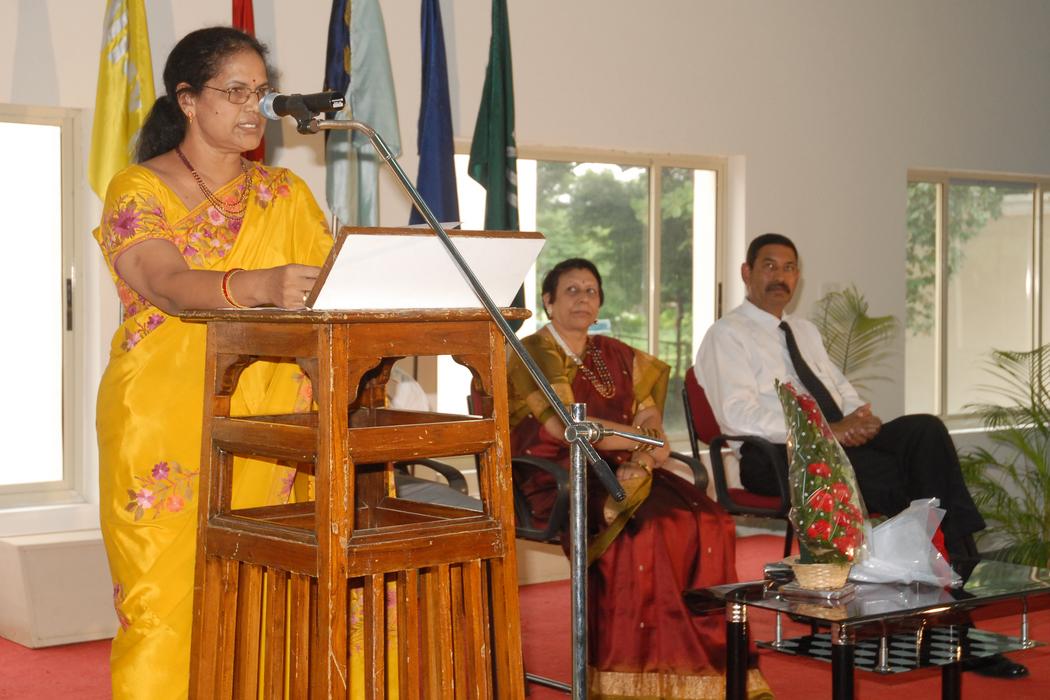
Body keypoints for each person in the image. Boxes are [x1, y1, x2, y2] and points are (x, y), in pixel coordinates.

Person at [93, 27, 395, 699]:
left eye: (260, 91)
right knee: (165, 601)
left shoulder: (285, 193)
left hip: (280, 424)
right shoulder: (138, 187)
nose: (254, 106)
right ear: (188, 100)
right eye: (235, 91)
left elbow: (335, 291)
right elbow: (167, 285)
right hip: (165, 422)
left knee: (280, 593)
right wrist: (259, 284)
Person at [695, 232, 1026, 679]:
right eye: (769, 266)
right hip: (779, 457)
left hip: (838, 447)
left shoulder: (803, 331)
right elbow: (738, 415)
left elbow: (839, 389)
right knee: (909, 481)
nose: (780, 277)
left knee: (924, 431)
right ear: (746, 272)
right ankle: (954, 620)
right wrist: (828, 430)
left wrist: (860, 418)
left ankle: (954, 566)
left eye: (789, 268)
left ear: (798, 276)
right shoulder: (726, 335)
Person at [507, 258, 772, 699]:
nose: (583, 298)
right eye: (571, 290)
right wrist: (642, 442)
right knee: (642, 531)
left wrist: (645, 459)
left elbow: (650, 417)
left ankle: (699, 669)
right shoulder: (533, 352)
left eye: (591, 291)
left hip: (626, 467)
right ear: (548, 301)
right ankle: (632, 674)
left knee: (709, 521)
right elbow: (568, 428)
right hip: (562, 475)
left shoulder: (614, 354)